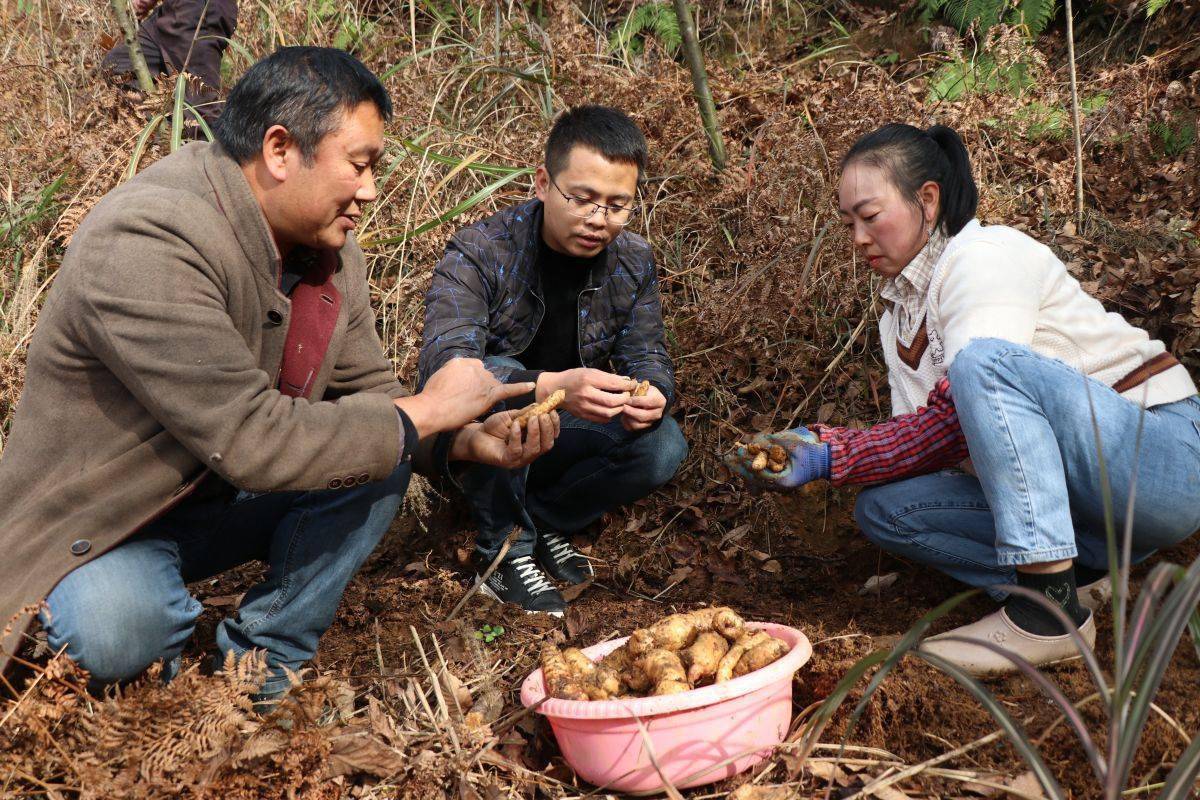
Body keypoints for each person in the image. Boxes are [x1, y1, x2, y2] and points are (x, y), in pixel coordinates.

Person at [0, 47, 561, 700]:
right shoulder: (147, 240)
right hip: (97, 523)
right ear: (278, 149)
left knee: (381, 449)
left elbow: (371, 400)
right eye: (359, 165)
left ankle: (257, 673)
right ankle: (93, 632)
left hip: (208, 494)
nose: (371, 191)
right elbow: (251, 435)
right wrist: (429, 410)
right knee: (122, 631)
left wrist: (460, 440)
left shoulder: (327, 252)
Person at [728, 123, 1200, 675]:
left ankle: (1047, 616)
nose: (857, 236)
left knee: (984, 364)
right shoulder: (899, 313)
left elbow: (957, 414)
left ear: (927, 199)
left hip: (1160, 465)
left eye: (870, 215)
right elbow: (931, 446)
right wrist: (810, 450)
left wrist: (834, 454)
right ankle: (1082, 583)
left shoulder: (983, 256)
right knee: (887, 507)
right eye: (848, 222)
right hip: (1088, 507)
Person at [419, 105, 688, 616]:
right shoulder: (479, 251)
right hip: (482, 436)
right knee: (490, 380)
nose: (598, 220)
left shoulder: (633, 260)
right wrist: (547, 386)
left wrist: (652, 392)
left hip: (568, 428)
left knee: (664, 445)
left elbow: (647, 353)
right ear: (543, 182)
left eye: (617, 205)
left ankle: (542, 521)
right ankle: (503, 551)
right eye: (582, 199)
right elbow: (446, 365)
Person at [103, 0, 237, 131]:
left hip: (198, 12)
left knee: (201, 113)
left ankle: (214, 148)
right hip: (172, 9)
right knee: (117, 65)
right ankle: (166, 138)